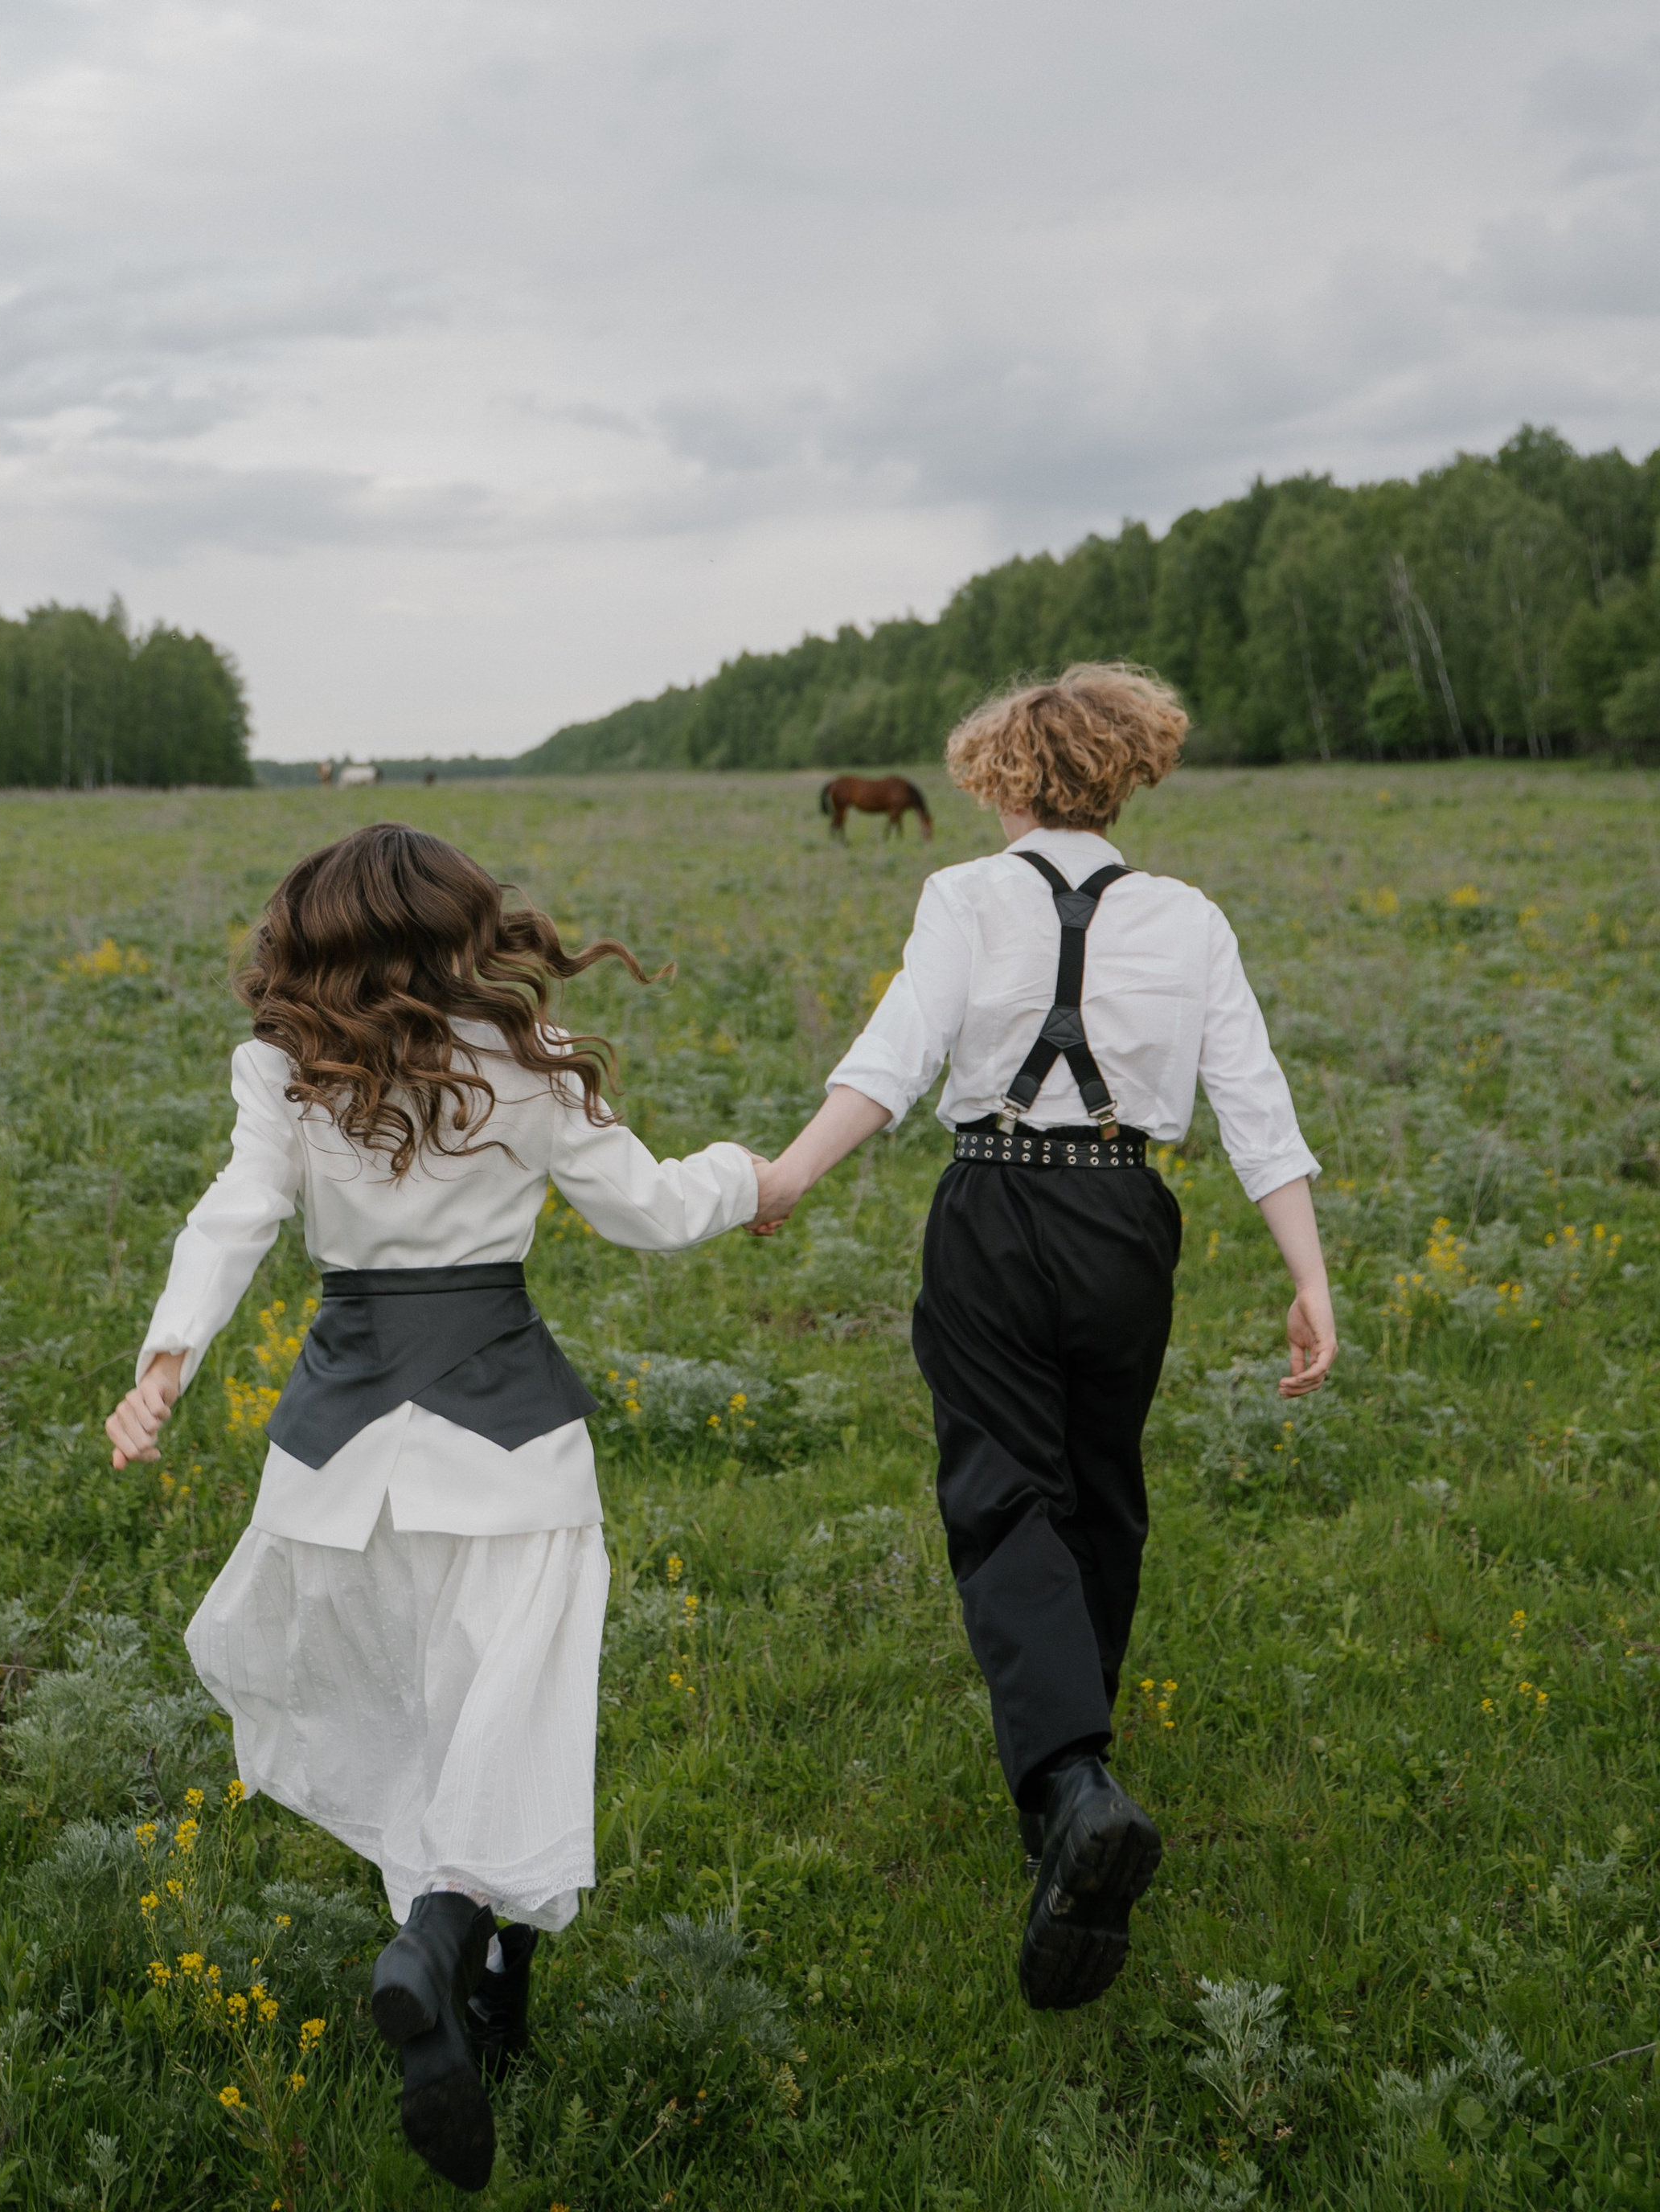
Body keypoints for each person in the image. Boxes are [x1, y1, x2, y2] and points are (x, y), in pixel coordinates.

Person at [104, 823, 759, 2192]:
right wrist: (763, 1177)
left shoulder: (288, 1068)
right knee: (505, 1721)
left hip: (340, 1459)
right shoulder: (525, 1061)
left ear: (312, 937)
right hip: (511, 1455)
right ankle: (444, 1947)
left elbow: (235, 1212)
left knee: (411, 1715)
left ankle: (474, 1996)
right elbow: (647, 1208)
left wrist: (169, 1356)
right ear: (467, 926)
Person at [752, 662, 1335, 2011]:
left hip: (996, 1205)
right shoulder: (1189, 917)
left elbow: (891, 1059)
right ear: (1128, 773)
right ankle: (1077, 1794)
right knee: (1102, 1496)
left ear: (1003, 777)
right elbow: (1255, 1102)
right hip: (1129, 1217)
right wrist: (1310, 1277)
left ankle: (1069, 1787)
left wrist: (783, 1179)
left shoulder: (962, 896)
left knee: (1003, 1488)